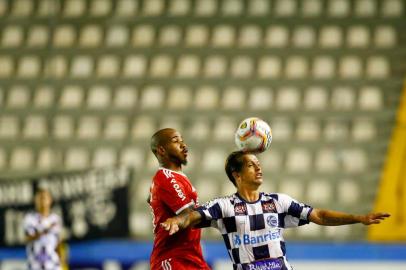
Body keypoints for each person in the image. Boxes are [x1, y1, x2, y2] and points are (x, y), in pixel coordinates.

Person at [161, 151, 390, 270]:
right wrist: (177, 221)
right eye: (251, 165)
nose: (258, 168)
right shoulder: (225, 206)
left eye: (259, 164)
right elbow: (194, 215)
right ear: (237, 175)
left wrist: (359, 218)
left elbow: (319, 215)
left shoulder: (278, 202)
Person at [148, 128, 211, 270]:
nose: (183, 145)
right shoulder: (167, 178)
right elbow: (189, 215)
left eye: (182, 140)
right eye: (176, 141)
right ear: (161, 150)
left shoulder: (174, 178)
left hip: (192, 258)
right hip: (174, 259)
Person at [23, 188, 63, 270]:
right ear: (35, 201)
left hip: (53, 263)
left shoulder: (55, 219)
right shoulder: (30, 219)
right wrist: (46, 230)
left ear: (50, 200)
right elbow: (28, 237)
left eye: (44, 198)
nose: (42, 201)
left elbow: (58, 242)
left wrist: (62, 260)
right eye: (39, 198)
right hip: (35, 264)